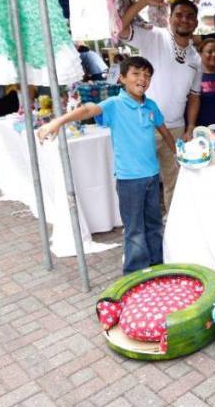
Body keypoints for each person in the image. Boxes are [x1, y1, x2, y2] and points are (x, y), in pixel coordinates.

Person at [38, 56, 173, 274]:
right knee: (135, 230)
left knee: (155, 225)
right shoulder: (115, 104)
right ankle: (135, 274)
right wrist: (58, 121)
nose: (143, 79)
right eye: (136, 74)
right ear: (122, 78)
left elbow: (163, 130)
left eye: (147, 75)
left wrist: (178, 153)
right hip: (129, 180)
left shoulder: (151, 105)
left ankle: (157, 268)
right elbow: (88, 110)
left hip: (152, 176)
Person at [120, 0, 202, 211]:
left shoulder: (196, 57)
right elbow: (120, 28)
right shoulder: (154, 36)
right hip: (142, 125)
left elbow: (195, 96)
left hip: (175, 129)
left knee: (175, 184)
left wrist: (190, 127)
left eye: (189, 16)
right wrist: (144, 0)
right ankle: (140, 230)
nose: (184, 20)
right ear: (170, 17)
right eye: (179, 14)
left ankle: (173, 233)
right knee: (140, 183)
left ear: (196, 23)